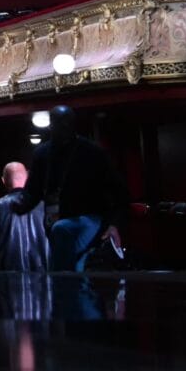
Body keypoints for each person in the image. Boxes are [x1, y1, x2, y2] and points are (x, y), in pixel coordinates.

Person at [25, 112, 130, 272]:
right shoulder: (45, 154)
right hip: (69, 223)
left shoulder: (91, 153)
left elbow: (120, 193)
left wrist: (114, 224)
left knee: (64, 246)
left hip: (80, 222)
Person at [0, 162, 50, 272]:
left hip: (6, 281)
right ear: (27, 176)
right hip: (42, 280)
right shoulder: (44, 206)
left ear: (3, 180)